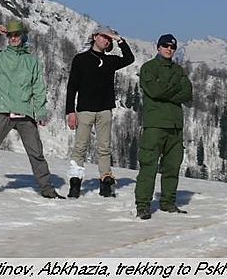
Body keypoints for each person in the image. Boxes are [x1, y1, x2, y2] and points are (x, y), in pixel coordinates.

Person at [0, 20, 63, 200]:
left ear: (23, 36)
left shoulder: (32, 61)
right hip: (2, 111)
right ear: (7, 37)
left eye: (17, 34)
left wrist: (40, 111)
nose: (14, 38)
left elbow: (38, 88)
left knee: (36, 154)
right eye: (11, 35)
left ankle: (48, 190)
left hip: (24, 113)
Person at [64, 25, 135, 198]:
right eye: (104, 36)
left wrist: (119, 40)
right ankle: (75, 183)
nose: (106, 40)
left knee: (104, 148)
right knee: (80, 148)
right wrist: (70, 111)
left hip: (104, 110)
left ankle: (105, 182)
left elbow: (129, 58)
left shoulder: (111, 61)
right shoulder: (81, 59)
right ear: (95, 37)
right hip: (84, 110)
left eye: (108, 39)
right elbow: (72, 86)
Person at [135, 33, 193, 220]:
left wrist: (166, 90)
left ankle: (168, 202)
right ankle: (143, 205)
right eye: (166, 46)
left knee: (172, 167)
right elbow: (154, 90)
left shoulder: (179, 70)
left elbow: (187, 93)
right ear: (158, 47)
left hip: (175, 126)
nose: (169, 49)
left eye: (172, 47)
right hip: (155, 124)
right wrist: (173, 89)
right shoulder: (148, 68)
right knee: (148, 166)